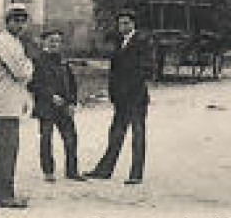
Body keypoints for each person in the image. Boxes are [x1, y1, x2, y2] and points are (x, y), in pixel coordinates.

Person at [89, 10, 151, 184]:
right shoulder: (119, 42)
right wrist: (114, 92)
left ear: (133, 24)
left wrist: (130, 89)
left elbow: (145, 69)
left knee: (137, 134)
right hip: (121, 98)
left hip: (136, 97)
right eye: (120, 23)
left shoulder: (142, 42)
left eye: (126, 23)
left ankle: (136, 174)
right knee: (115, 133)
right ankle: (105, 170)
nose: (122, 26)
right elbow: (114, 71)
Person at [0, 4, 36, 207]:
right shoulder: (5, 43)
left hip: (9, 101)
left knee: (7, 148)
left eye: (23, 20)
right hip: (3, 103)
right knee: (8, 148)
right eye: (15, 20)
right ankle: (5, 195)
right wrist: (31, 63)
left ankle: (1, 191)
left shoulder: (13, 42)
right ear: (7, 22)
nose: (20, 25)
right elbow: (22, 73)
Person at [31, 27, 83, 183]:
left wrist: (72, 102)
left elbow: (72, 84)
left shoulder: (63, 61)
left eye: (58, 41)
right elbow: (34, 84)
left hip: (64, 106)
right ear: (43, 42)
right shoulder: (37, 61)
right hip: (46, 107)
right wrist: (50, 96)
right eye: (51, 41)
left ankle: (72, 171)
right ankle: (48, 171)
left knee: (70, 138)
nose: (55, 44)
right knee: (46, 138)